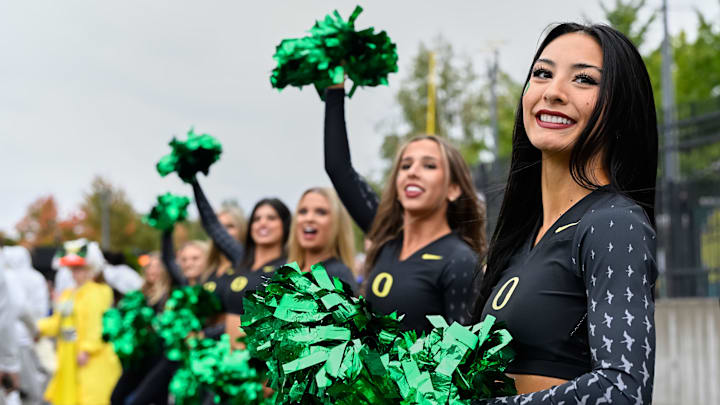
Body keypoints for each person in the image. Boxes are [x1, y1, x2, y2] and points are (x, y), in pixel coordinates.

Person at [471, 23, 658, 404]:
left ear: (620, 108)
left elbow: (622, 391)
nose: (553, 92)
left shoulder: (614, 222)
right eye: (542, 73)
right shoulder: (522, 237)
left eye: (584, 80)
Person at [324, 86, 485, 334]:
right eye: (405, 165)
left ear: (453, 189)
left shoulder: (460, 260)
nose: (413, 172)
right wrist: (335, 89)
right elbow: (338, 168)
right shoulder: (386, 238)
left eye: (429, 166)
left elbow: (461, 360)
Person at [37, 240, 121, 405]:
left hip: (90, 357)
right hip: (68, 353)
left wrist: (87, 349)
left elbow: (97, 323)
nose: (75, 273)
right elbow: (58, 321)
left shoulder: (99, 292)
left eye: (79, 269)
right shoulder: (68, 293)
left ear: (90, 269)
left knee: (90, 396)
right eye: (73, 269)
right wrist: (37, 328)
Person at [110, 253, 172, 405]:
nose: (152, 270)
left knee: (154, 398)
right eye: (149, 265)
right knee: (117, 396)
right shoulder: (139, 294)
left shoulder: (168, 295)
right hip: (138, 357)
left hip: (158, 356)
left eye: (157, 266)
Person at [2, 246, 50, 405]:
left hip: (15, 341)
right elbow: (25, 310)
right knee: (26, 389)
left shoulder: (9, 276)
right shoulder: (29, 278)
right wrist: (36, 330)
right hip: (19, 341)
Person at [287, 187, 358, 292]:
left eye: (321, 212)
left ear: (338, 223)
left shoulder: (337, 277)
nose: (309, 218)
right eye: (303, 211)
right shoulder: (288, 273)